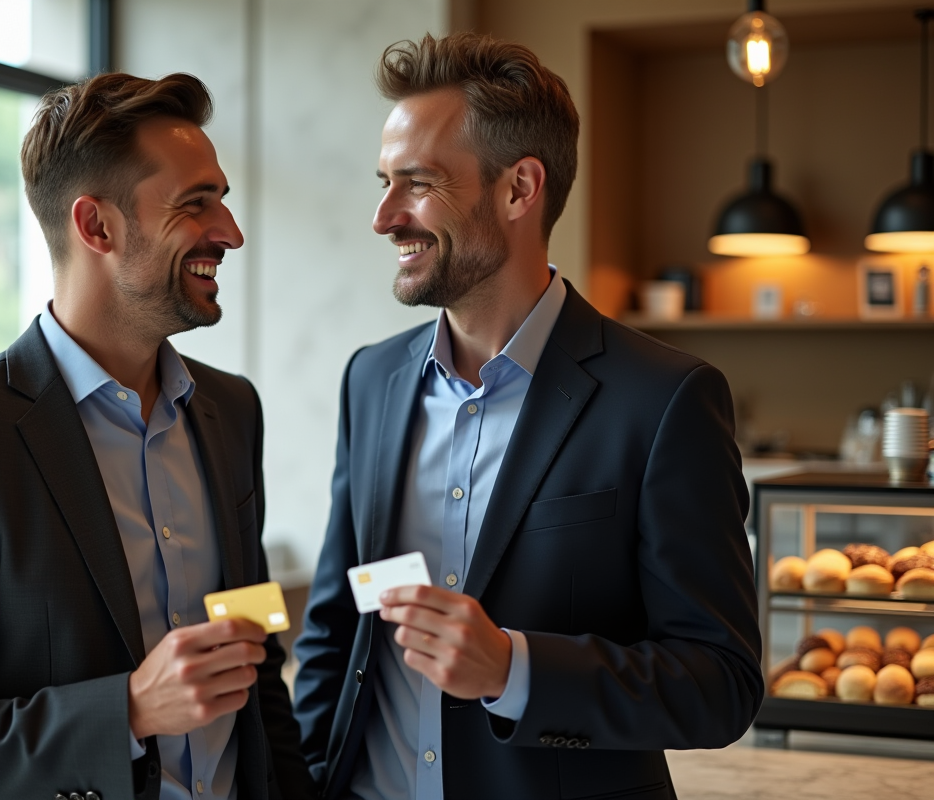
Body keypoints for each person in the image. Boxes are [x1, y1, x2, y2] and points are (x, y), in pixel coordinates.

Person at [291, 33, 763, 800]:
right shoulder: (370, 379)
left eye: (417, 183)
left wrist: (514, 669)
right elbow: (337, 631)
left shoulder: (665, 400)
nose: (383, 217)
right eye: (384, 182)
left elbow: (720, 684)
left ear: (519, 189)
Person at [0, 72, 316, 800]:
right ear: (96, 226)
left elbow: (255, 660)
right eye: (197, 204)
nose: (229, 232)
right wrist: (128, 710)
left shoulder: (232, 411)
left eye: (222, 200)